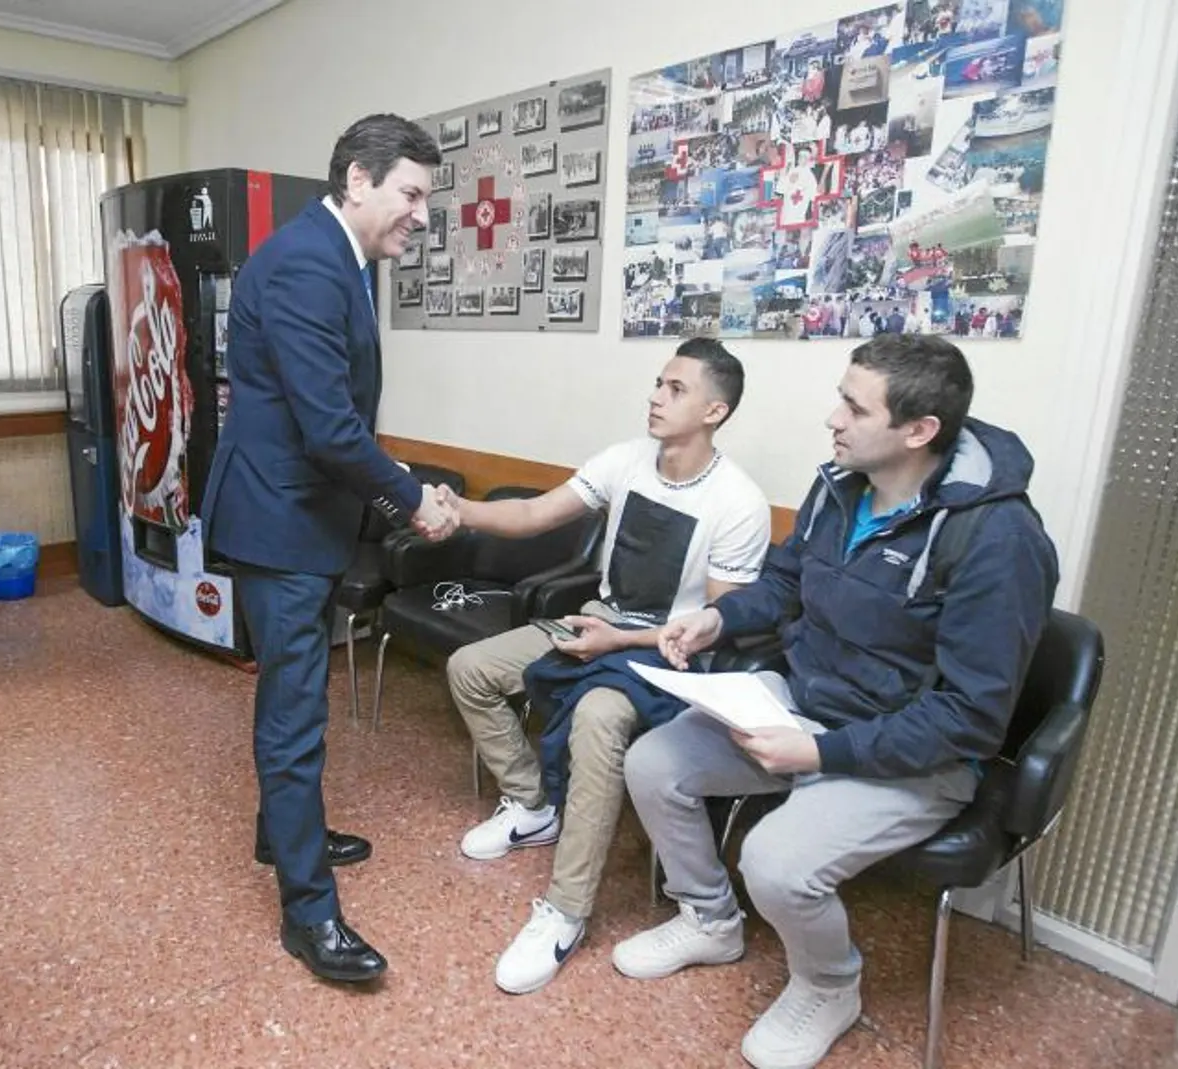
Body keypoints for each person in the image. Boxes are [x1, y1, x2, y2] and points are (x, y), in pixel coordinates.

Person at [611, 334, 1057, 1069]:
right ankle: (709, 918)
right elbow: (786, 581)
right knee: (655, 761)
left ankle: (830, 983)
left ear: (918, 431)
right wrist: (720, 618)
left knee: (777, 862)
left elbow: (971, 716)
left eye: (854, 405)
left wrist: (820, 752)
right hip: (807, 703)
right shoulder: (839, 486)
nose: (833, 418)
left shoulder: (997, 541)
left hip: (915, 752)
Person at [201, 113, 454, 984]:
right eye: (411, 193)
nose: (422, 214)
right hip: (281, 520)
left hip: (297, 512)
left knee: (291, 697)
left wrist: (396, 487)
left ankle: (283, 832)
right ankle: (309, 913)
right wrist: (413, 496)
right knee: (296, 712)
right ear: (357, 180)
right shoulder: (312, 261)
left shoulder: (333, 255)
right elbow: (330, 426)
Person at [439, 338, 770, 994]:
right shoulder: (626, 460)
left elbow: (714, 634)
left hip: (665, 659)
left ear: (714, 409)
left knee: (597, 716)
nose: (655, 395)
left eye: (675, 388)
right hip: (598, 621)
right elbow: (534, 513)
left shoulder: (739, 503)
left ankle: (565, 910)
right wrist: (457, 509)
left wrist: (620, 642)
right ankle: (533, 804)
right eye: (657, 382)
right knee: (469, 667)